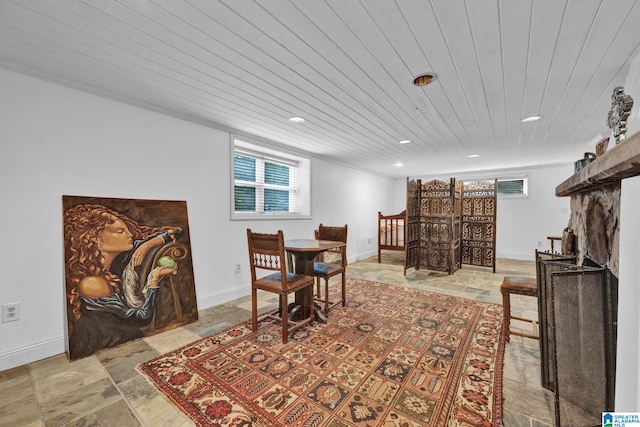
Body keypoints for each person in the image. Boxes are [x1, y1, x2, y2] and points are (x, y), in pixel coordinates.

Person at [63, 203, 181, 359]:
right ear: (95, 239)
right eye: (120, 231)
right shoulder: (92, 284)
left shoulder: (119, 260)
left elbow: (176, 231)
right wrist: (154, 280)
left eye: (126, 229)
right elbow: (142, 318)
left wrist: (148, 245)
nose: (129, 234)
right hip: (101, 346)